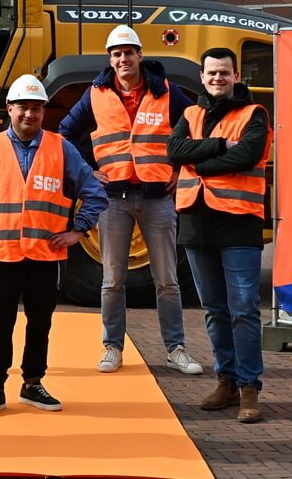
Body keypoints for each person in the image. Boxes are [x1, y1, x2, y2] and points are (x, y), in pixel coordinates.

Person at [0, 75, 107, 417]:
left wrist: (78, 231)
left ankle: (32, 383)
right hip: (4, 255)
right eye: (23, 107)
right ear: (9, 108)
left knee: (40, 325)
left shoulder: (61, 148)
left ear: (43, 111)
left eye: (36, 108)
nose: (29, 114)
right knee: (0, 326)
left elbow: (95, 192)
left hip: (45, 256)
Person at [57, 24, 202, 375]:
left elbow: (196, 127)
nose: (123, 59)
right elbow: (65, 132)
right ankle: (112, 348)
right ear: (110, 59)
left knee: (167, 280)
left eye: (129, 53)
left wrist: (182, 170)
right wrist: (88, 171)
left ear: (140, 55)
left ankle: (176, 349)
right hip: (113, 200)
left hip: (157, 199)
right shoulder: (95, 94)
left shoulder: (166, 91)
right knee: (112, 280)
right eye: (117, 54)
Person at [166, 47, 271, 422]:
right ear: (202, 76)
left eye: (224, 72)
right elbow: (173, 150)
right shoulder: (190, 113)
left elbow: (247, 156)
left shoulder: (255, 114)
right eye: (211, 72)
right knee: (214, 309)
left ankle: (249, 387)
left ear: (236, 75)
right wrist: (219, 146)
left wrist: (201, 164)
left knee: (243, 309)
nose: (217, 78)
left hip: (238, 222)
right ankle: (226, 380)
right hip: (197, 222)